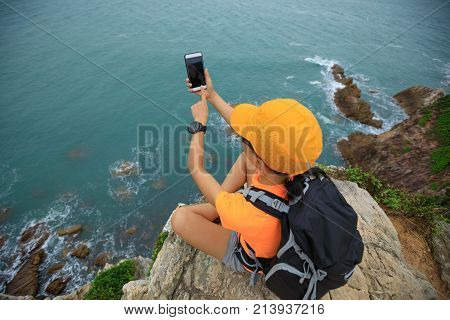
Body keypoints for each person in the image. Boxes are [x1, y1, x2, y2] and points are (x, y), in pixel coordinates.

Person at [171, 69, 323, 275]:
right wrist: (211, 95)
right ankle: (218, 203)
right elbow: (251, 132)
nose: (243, 139)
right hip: (277, 212)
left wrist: (199, 124)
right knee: (246, 158)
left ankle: (218, 205)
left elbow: (196, 168)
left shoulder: (246, 213)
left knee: (180, 218)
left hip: (254, 252)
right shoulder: (298, 161)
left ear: (260, 164)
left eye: (246, 142)